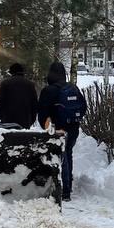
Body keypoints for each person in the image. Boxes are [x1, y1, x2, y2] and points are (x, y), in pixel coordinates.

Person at [38, 60, 87, 202]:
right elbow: (83, 107)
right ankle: (68, 186)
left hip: (58, 128)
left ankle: (65, 192)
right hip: (73, 127)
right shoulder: (72, 87)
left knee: (62, 157)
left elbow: (42, 112)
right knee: (68, 154)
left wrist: (46, 126)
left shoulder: (49, 90)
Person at [0, 63, 38, 129]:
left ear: (11, 72)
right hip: (25, 122)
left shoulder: (5, 83)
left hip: (8, 122)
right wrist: (31, 120)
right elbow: (35, 104)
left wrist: (2, 117)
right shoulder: (30, 85)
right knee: (24, 139)